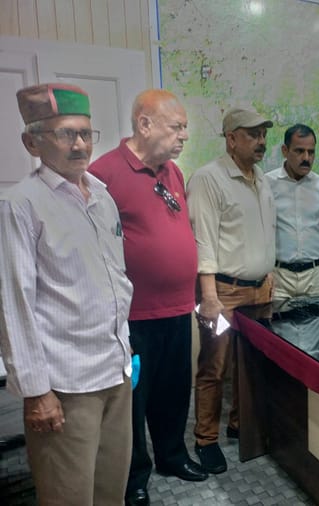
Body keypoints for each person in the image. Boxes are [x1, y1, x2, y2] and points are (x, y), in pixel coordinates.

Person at [0, 83, 134, 505]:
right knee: (68, 497)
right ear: (32, 143)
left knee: (111, 491)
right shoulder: (20, 204)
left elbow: (113, 277)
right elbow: (14, 304)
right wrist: (36, 391)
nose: (79, 145)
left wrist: (126, 346)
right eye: (65, 134)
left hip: (116, 371)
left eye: (85, 133)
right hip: (66, 386)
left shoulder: (102, 197)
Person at [89, 89, 205, 506]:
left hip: (178, 308)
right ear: (144, 124)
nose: (184, 136)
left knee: (174, 390)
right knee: (133, 401)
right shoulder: (103, 174)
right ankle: (133, 475)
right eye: (177, 127)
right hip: (132, 316)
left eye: (184, 128)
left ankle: (172, 456)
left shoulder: (172, 173)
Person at [186, 108, 276, 474]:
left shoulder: (261, 179)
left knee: (251, 364)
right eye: (252, 134)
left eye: (263, 134)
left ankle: (241, 425)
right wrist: (208, 296)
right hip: (222, 292)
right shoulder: (208, 179)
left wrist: (270, 274)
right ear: (231, 139)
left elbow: (264, 234)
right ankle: (206, 439)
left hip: (260, 291)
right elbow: (202, 240)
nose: (261, 141)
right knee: (215, 366)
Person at [266, 124, 319, 299]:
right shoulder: (267, 184)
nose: (306, 158)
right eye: (299, 151)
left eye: (311, 152)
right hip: (279, 278)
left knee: (318, 318)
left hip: (315, 278)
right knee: (276, 319)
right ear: (285, 151)